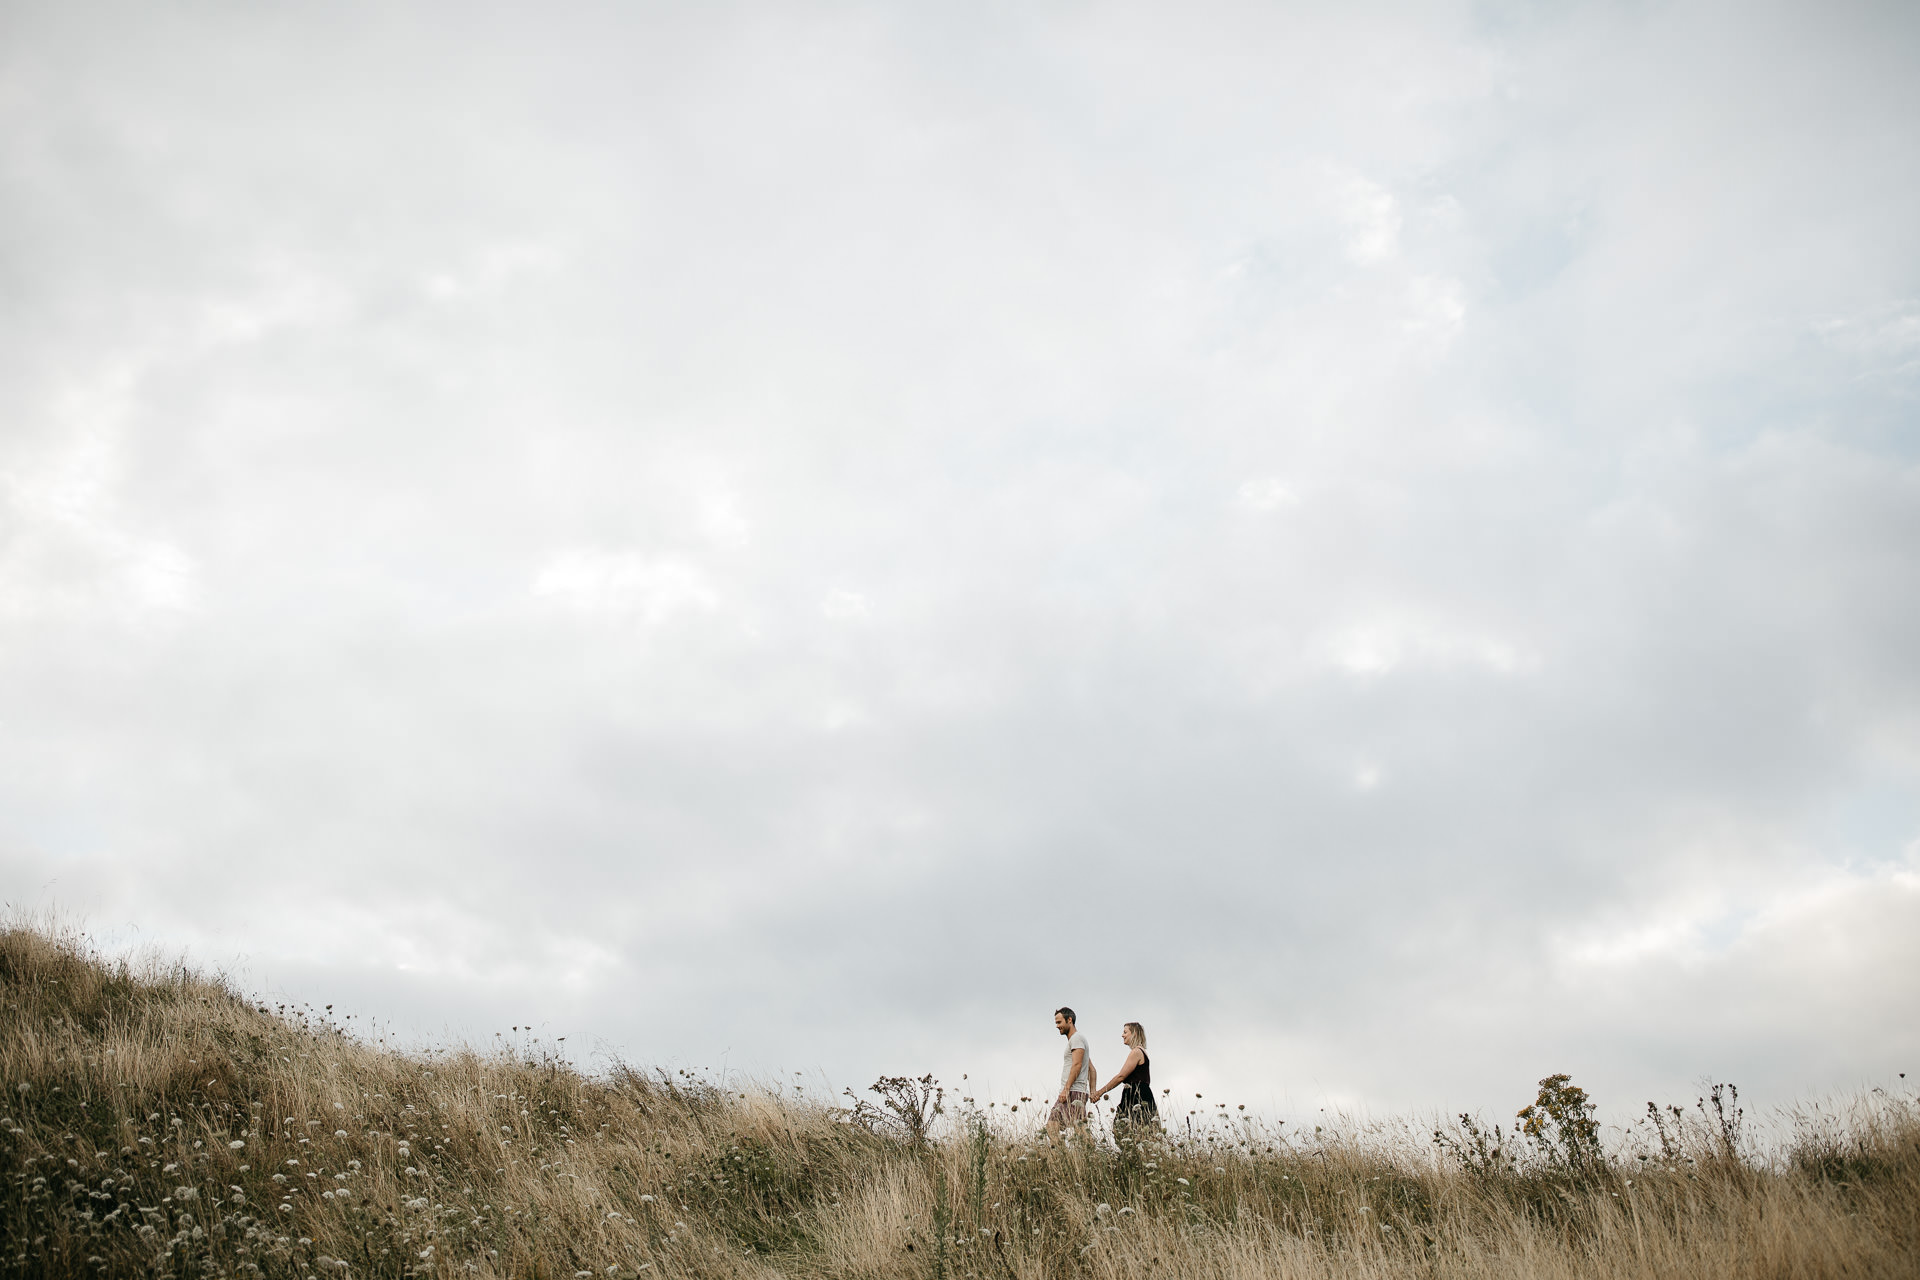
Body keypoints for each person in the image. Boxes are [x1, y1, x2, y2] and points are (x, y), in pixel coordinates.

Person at [1090, 1022, 1158, 1137]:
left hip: (1136, 1095)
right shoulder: (1142, 1052)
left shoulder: (1136, 1052)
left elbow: (1121, 1076)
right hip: (1141, 1094)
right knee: (1139, 1131)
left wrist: (1099, 1092)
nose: (1122, 1035)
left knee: (1124, 1130)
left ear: (1134, 1034)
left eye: (1125, 1032)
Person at [1047, 1007, 1092, 1144]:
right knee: (1053, 1126)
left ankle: (1090, 1157)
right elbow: (1092, 1069)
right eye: (1056, 1023)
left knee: (1079, 1131)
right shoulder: (1077, 1040)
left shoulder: (1076, 1039)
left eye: (1059, 1022)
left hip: (1073, 1092)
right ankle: (1066, 1159)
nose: (1057, 1026)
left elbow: (1077, 1065)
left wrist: (1066, 1089)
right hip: (1074, 1091)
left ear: (1069, 1020)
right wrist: (1093, 1091)